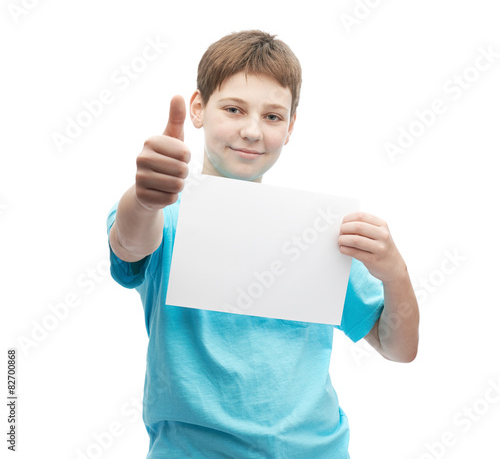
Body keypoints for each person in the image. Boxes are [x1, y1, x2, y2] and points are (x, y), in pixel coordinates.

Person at [106, 29, 419, 458]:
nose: (252, 131)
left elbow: (398, 348)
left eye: (273, 117)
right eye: (234, 109)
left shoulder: (317, 233)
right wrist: (142, 200)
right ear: (198, 109)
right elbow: (129, 243)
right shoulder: (165, 215)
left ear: (290, 127)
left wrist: (395, 273)